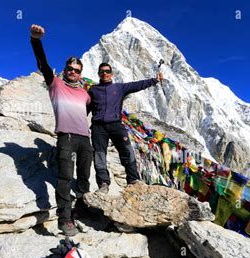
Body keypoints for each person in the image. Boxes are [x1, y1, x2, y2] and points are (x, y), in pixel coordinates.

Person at [30, 24, 92, 236]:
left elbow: (92, 109)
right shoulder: (55, 84)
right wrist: (36, 41)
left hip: (85, 139)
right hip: (66, 138)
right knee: (65, 178)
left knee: (84, 177)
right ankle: (64, 219)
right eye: (70, 69)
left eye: (77, 70)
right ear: (65, 70)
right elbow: (43, 64)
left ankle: (82, 212)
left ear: (80, 73)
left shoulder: (85, 93)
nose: (73, 72)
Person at [88, 63, 164, 193]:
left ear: (111, 73)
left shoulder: (120, 88)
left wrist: (155, 80)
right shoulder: (93, 90)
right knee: (99, 155)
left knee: (127, 151)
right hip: (98, 127)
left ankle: (133, 181)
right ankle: (103, 184)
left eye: (107, 71)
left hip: (116, 125)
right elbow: (85, 108)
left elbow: (137, 85)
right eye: (102, 72)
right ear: (99, 74)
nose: (104, 74)